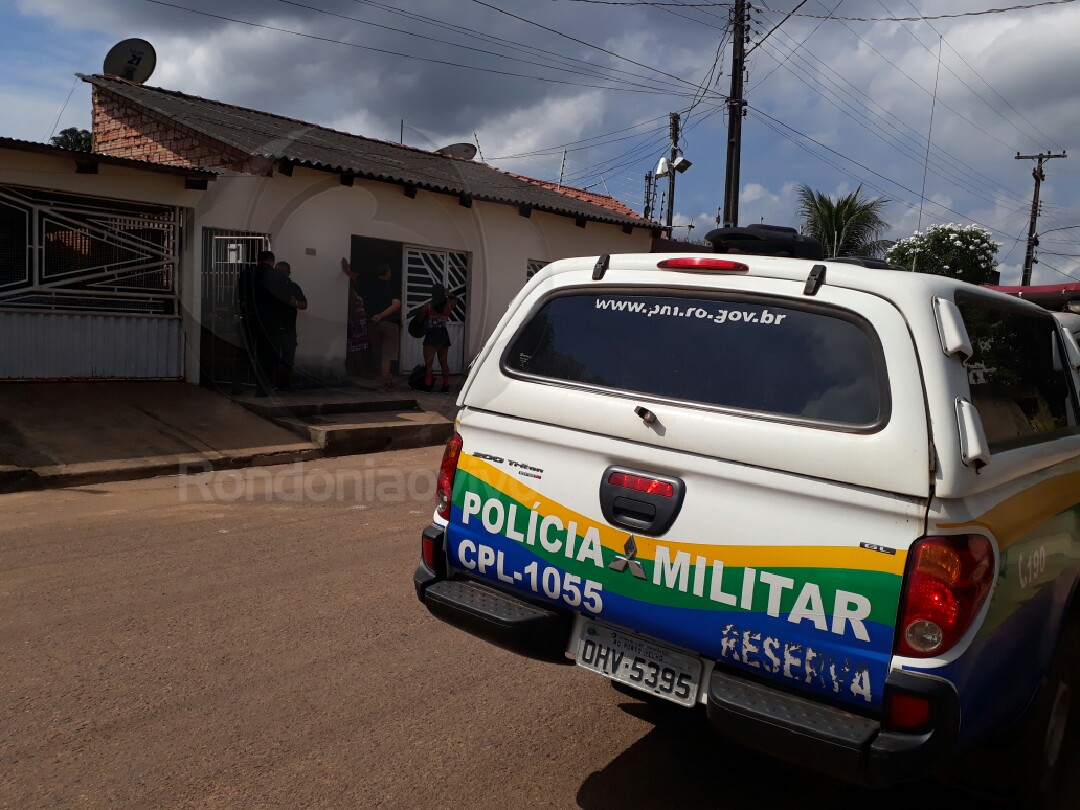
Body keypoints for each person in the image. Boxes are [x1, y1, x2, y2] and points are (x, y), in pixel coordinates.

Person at [236, 249, 284, 397]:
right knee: (265, 356)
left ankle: (237, 387)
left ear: (258, 260)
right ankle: (261, 390)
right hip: (268, 322)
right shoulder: (276, 275)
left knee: (244, 353)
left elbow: (238, 295)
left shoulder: (246, 273)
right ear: (272, 261)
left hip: (248, 318)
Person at [363, 261, 402, 391]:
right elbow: (396, 305)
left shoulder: (368, 287)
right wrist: (381, 315)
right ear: (387, 273)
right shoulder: (392, 287)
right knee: (387, 355)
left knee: (376, 351)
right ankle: (384, 383)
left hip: (372, 324)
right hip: (389, 324)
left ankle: (380, 377)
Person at [418, 283, 457, 393]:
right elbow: (456, 299)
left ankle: (428, 386)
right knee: (444, 362)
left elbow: (420, 319)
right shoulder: (449, 305)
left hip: (431, 335)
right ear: (443, 293)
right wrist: (449, 294)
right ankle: (445, 386)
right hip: (443, 335)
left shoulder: (428, 306)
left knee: (429, 364)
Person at [274, 261, 307, 390]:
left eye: (283, 272)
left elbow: (304, 305)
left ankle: (286, 384)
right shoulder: (271, 286)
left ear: (289, 273)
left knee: (288, 358)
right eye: (278, 272)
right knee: (273, 357)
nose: (281, 274)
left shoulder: (294, 287)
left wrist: (296, 302)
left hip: (288, 328)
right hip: (273, 328)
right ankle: (272, 383)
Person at [340, 257, 370, 377]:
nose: (356, 276)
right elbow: (351, 307)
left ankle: (355, 371)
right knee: (355, 348)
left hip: (358, 322)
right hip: (356, 322)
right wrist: (357, 321)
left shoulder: (353, 290)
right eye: (355, 274)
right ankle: (359, 371)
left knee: (356, 348)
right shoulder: (351, 291)